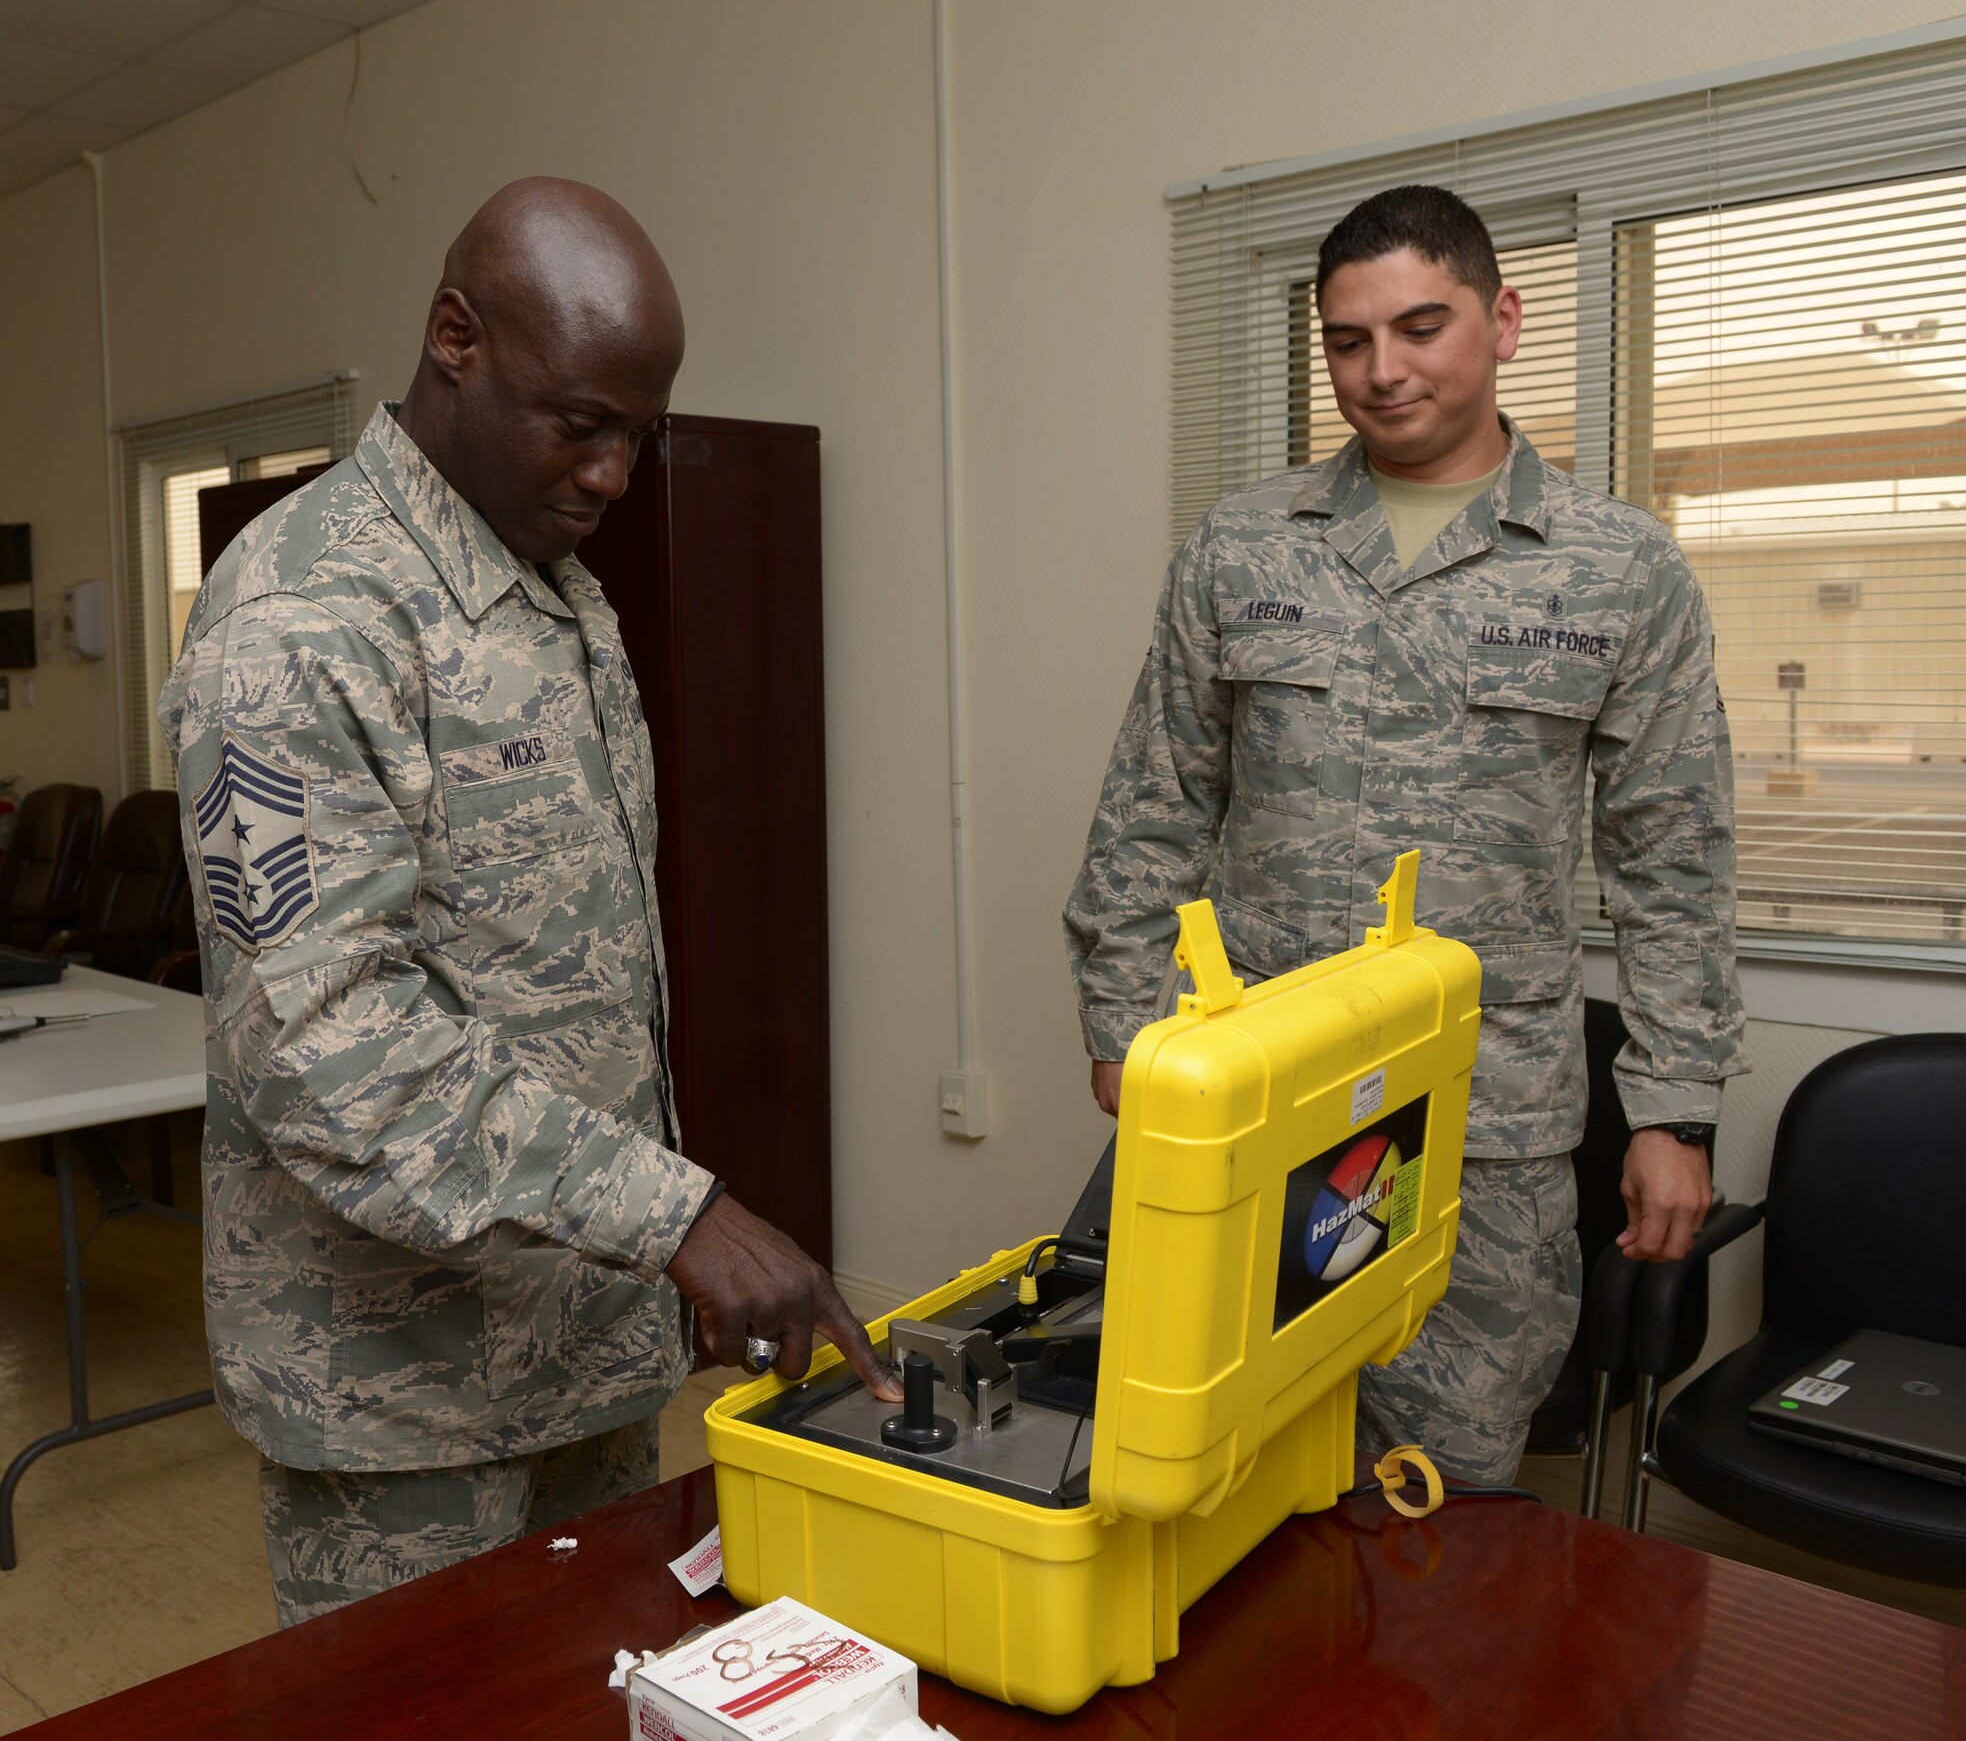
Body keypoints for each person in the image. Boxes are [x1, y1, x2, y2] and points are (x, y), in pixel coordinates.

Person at [159, 177, 897, 1626]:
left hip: (580, 1337)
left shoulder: (549, 581)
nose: (614, 476)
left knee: (604, 1686)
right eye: (582, 422)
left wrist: (648, 1242)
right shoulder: (307, 612)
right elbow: (325, 1045)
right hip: (400, 1398)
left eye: (639, 434)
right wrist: (674, 1211)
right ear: (455, 339)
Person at [1063, 184, 1746, 1484]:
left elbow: (1674, 858)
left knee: (1441, 1486)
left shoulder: (1619, 568)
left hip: (1481, 1126)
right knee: (1211, 1470)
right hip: (1254, 1094)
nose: (1382, 371)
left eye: (1421, 326)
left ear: (1505, 320)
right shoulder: (1243, 547)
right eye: (1347, 339)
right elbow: (1154, 799)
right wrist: (1116, 1024)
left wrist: (1674, 1109)